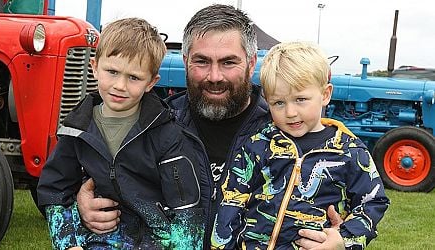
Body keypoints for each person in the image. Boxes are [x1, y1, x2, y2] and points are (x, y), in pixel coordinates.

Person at [76, 4, 346, 249]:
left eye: (228, 62)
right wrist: (83, 205)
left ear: (251, 64)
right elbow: (85, 177)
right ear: (185, 62)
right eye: (202, 61)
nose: (214, 76)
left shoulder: (291, 129)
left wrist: (342, 238)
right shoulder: (150, 126)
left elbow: (349, 205)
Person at [37, 17, 207, 249]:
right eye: (112, 72)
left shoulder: (167, 135)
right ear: (95, 67)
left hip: (158, 241)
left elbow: (188, 210)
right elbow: (55, 190)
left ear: (151, 82)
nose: (120, 85)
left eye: (134, 77)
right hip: (99, 239)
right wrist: (68, 243)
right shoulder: (76, 130)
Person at [211, 41, 390, 249]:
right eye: (279, 102)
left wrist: (344, 239)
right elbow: (231, 200)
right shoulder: (258, 145)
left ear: (325, 95)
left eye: (301, 99)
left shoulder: (349, 151)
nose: (290, 112)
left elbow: (373, 202)